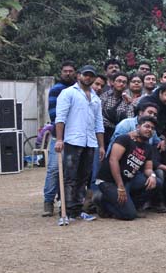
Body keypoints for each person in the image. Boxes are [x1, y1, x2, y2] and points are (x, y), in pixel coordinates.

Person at [55, 64, 105, 222]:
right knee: (70, 177)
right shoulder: (68, 93)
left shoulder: (96, 98)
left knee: (83, 177)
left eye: (91, 75)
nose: (88, 78)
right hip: (73, 140)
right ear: (78, 76)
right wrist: (59, 139)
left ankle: (78, 209)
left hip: (90, 142)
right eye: (85, 74)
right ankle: (66, 211)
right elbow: (60, 117)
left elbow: (99, 123)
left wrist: (101, 146)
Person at [94, 116, 160, 220]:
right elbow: (113, 160)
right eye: (147, 126)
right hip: (109, 181)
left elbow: (148, 169)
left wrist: (152, 176)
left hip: (128, 180)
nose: (150, 130)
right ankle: (102, 201)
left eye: (152, 128)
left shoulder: (148, 147)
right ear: (138, 127)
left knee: (156, 182)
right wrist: (120, 186)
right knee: (129, 215)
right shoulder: (125, 139)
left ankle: (132, 206)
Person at [42, 60, 76, 217]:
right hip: (59, 135)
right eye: (65, 71)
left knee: (70, 171)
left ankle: (66, 201)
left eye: (71, 71)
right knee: (54, 169)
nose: (68, 73)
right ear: (61, 73)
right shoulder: (56, 89)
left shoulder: (79, 90)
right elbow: (54, 115)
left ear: (75, 73)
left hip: (75, 137)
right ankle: (48, 201)